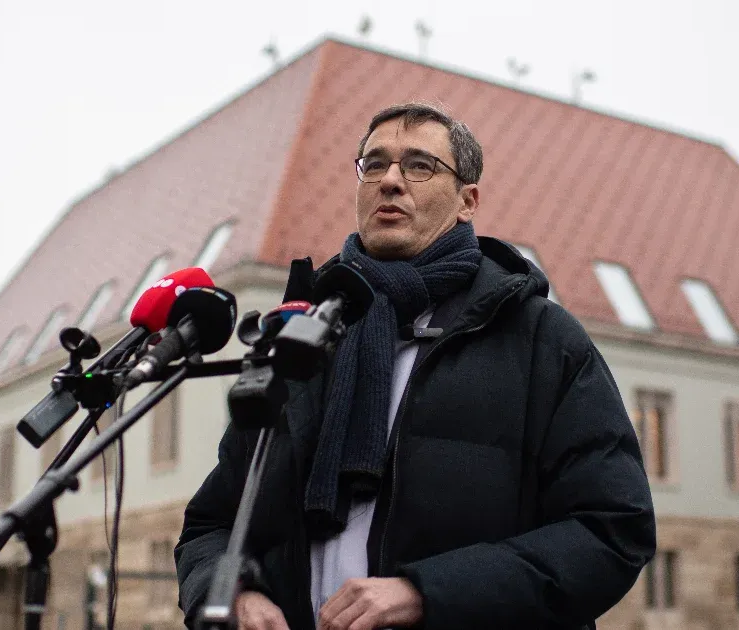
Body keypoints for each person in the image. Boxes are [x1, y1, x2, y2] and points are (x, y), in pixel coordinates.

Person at [176, 102, 655, 630]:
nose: (390, 180)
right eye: (375, 164)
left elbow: (612, 532)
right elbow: (211, 525)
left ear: (467, 201)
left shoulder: (542, 340)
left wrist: (426, 594)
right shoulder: (301, 340)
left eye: (419, 165)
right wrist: (234, 593)